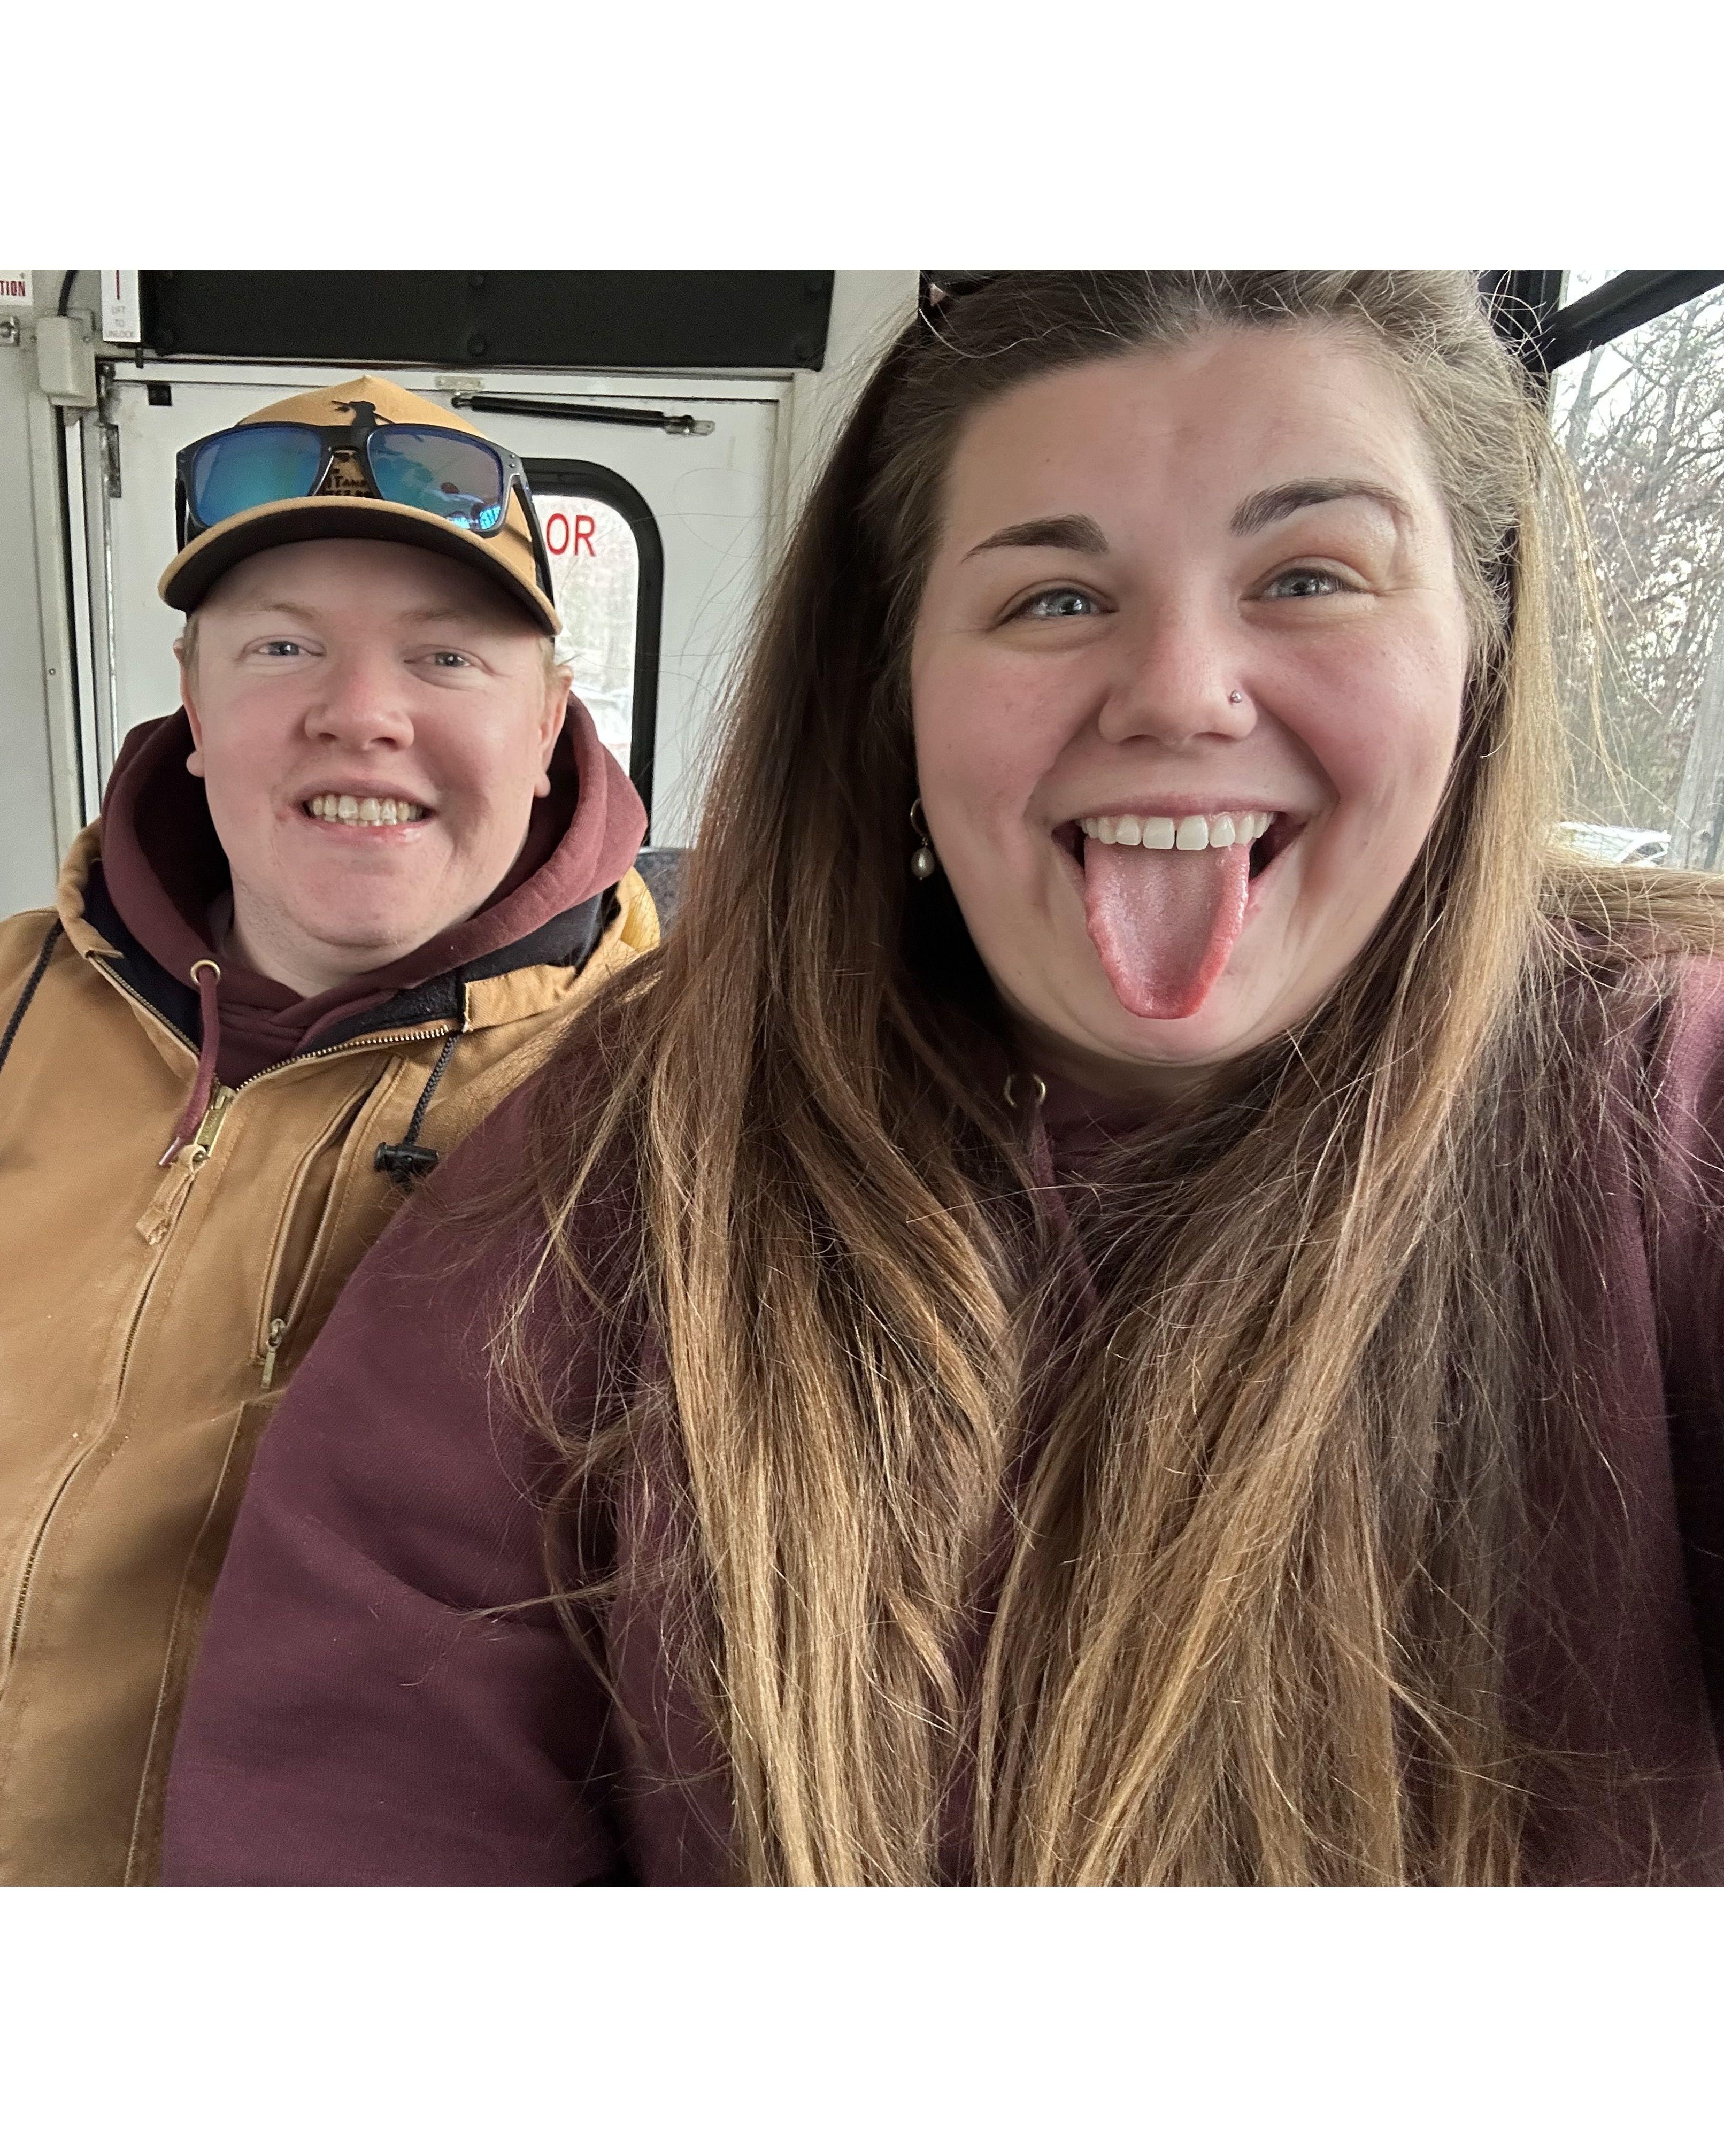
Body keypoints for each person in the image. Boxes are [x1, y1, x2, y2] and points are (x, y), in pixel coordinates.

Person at [161, 274, 1724, 1888]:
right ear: (891, 695)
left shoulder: (1671, 1115)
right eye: (1052, 599)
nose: (1182, 691)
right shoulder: (628, 1159)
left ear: (1480, 654)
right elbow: (366, 1786)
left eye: (1312, 577)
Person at [0, 375, 655, 1884]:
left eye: (447, 656)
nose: (360, 712)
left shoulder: (671, 1104)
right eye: (283, 646)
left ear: (552, 720)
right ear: (198, 706)